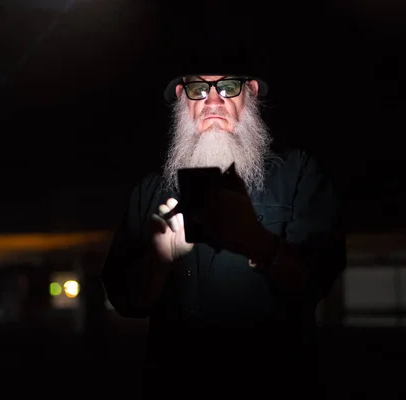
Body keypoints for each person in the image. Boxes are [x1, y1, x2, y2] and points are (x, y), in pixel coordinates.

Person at [100, 57, 346, 397]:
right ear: (182, 100)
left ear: (250, 93)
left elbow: (319, 278)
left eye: (228, 87)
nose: (213, 102)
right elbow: (125, 301)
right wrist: (158, 263)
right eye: (199, 89)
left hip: (277, 383)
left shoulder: (297, 173)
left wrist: (257, 241)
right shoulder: (150, 191)